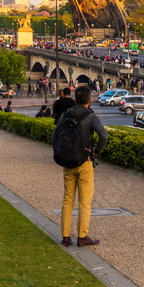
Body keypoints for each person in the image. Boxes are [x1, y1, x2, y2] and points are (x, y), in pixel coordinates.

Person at [55, 85, 109, 247]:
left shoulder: (65, 114)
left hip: (68, 161)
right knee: (84, 202)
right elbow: (103, 136)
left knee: (67, 200)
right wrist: (95, 152)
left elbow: (55, 134)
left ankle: (65, 237)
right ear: (89, 101)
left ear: (75, 100)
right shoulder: (91, 117)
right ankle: (82, 236)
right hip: (84, 161)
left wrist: (60, 152)